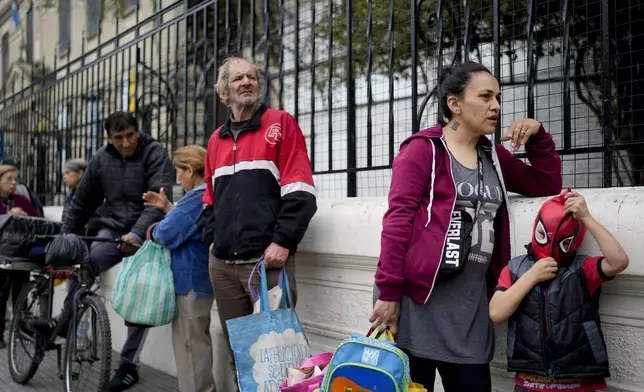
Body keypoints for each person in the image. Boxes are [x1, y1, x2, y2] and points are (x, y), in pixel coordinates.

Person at [370, 61, 563, 392]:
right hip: (417, 306)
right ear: (454, 104)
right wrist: (388, 292)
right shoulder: (423, 150)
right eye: (486, 96)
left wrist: (538, 136)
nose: (496, 106)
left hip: (470, 310)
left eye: (498, 97)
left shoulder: (493, 155)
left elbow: (545, 182)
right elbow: (398, 220)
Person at [30, 111, 175, 392]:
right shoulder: (100, 158)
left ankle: (128, 366)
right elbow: (82, 201)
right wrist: (66, 235)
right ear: (108, 138)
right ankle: (66, 320)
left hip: (144, 233)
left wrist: (135, 234)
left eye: (130, 135)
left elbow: (158, 201)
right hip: (110, 229)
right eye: (118, 138)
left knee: (139, 294)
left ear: (137, 130)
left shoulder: (155, 152)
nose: (125, 142)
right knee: (87, 262)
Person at [199, 56, 317, 389]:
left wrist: (283, 241)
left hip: (268, 263)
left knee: (279, 355)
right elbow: (209, 199)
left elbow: (301, 190)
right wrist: (213, 240)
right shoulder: (215, 140)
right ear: (224, 91)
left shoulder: (281, 123)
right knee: (242, 353)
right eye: (238, 78)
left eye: (252, 77)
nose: (247, 82)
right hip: (222, 265)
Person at [489, 189, 629, 392]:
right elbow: (496, 313)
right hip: (530, 382)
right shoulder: (515, 269)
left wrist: (586, 217)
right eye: (542, 234)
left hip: (576, 382)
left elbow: (619, 261)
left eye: (564, 242)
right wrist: (532, 276)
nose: (550, 245)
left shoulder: (582, 269)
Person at [142, 145, 216, 392]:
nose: (178, 178)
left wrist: (151, 230)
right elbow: (186, 225)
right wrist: (167, 208)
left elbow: (166, 233)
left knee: (190, 348)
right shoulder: (208, 194)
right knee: (198, 343)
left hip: (190, 282)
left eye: (179, 171)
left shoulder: (196, 196)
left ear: (190, 169)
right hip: (201, 279)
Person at [0, 164, 40, 349]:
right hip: (2, 255)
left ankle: (20, 328)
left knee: (21, 291)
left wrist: (24, 217)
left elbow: (38, 220)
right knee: (1, 293)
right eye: (9, 179)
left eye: (16, 179)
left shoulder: (21, 199)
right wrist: (8, 215)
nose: (14, 182)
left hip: (20, 253)